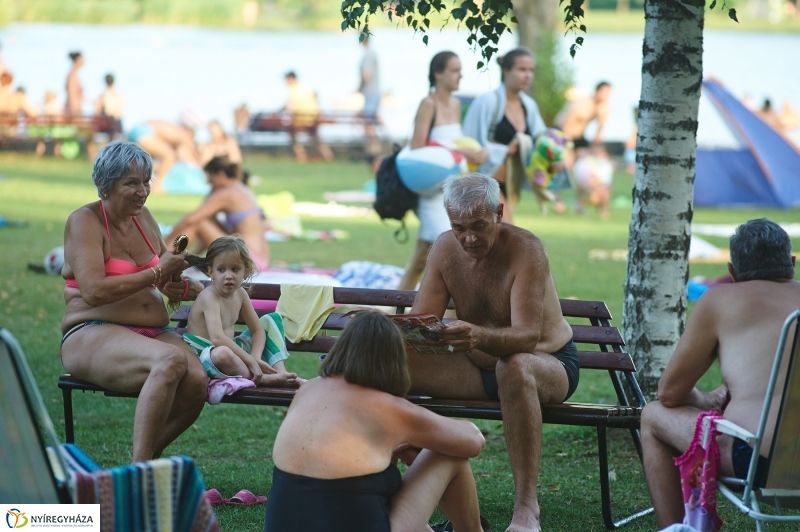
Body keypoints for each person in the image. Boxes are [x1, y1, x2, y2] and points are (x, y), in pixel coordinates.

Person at [409, 173, 579, 532]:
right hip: (475, 364)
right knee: (388, 363)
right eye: (459, 227)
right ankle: (412, 495)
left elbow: (527, 338)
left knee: (514, 366)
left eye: (478, 226)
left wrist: (476, 335)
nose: (468, 237)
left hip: (547, 364)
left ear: (499, 213)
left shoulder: (527, 249)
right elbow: (422, 325)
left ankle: (526, 509)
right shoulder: (443, 248)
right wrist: (381, 332)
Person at [265, 311, 488, 532]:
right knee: (446, 453)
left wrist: (398, 445)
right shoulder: (388, 409)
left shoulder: (308, 389)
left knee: (388, 458)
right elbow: (473, 441)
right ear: (394, 358)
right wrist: (411, 442)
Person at [641, 218, 800, 529]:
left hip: (761, 465)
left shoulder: (719, 300)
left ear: (732, 272)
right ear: (792, 263)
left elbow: (669, 393)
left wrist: (709, 398)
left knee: (653, 414)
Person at [59, 141, 208, 463]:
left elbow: (165, 278)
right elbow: (94, 291)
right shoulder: (85, 221)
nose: (142, 191)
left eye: (146, 181)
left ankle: (143, 464)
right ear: (105, 185)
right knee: (169, 361)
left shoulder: (143, 218)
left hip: (149, 331)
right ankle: (142, 473)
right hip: (92, 330)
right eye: (131, 183)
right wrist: (157, 271)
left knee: (197, 382)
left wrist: (180, 285)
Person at [398, 51, 488, 290]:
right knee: (452, 254)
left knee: (421, 259)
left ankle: (398, 305)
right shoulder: (428, 104)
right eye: (455, 70)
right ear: (438, 74)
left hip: (452, 193)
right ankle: (443, 314)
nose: (461, 75)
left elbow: (455, 143)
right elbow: (417, 144)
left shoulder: (456, 104)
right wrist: (461, 152)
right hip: (430, 193)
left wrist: (474, 153)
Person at [183, 236, 299, 387]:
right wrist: (249, 360)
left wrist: (255, 356)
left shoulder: (240, 294)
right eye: (221, 270)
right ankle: (262, 378)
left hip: (233, 351)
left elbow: (257, 329)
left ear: (246, 271)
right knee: (221, 353)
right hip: (205, 356)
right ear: (211, 272)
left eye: (235, 269)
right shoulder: (209, 297)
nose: (228, 275)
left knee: (271, 320)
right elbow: (217, 339)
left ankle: (280, 373)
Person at [462, 48, 548, 222]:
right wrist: (506, 150)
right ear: (506, 71)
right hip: (485, 181)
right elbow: (469, 142)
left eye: (531, 70)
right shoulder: (488, 101)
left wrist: (554, 159)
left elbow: (543, 140)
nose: (528, 75)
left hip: (510, 184)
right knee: (507, 230)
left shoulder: (529, 106)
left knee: (495, 242)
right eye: (522, 69)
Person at [166, 156, 269, 270]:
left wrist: (166, 239)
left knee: (199, 222)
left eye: (210, 176)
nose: (208, 181)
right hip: (259, 259)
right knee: (207, 220)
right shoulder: (242, 188)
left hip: (248, 258)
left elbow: (191, 219)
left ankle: (165, 257)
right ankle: (178, 258)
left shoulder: (227, 193)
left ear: (220, 174)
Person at [127, 120, 199, 192]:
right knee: (169, 156)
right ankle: (157, 186)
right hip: (144, 132)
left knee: (149, 162)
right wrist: (200, 163)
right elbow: (190, 152)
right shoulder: (182, 136)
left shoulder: (172, 129)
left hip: (137, 131)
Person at [282, 72, 332, 163]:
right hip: (313, 117)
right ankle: (328, 156)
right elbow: (316, 100)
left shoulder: (292, 89)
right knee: (315, 138)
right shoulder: (306, 87)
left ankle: (301, 156)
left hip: (301, 118)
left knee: (292, 133)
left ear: (290, 79)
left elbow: (291, 107)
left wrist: (281, 110)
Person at [555, 81, 612, 149]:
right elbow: (566, 123)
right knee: (567, 157)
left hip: (578, 137)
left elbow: (599, 135)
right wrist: (566, 145)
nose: (607, 96)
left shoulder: (603, 109)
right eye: (605, 93)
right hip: (561, 132)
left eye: (609, 93)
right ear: (597, 91)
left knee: (588, 156)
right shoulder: (583, 104)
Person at [358, 33, 381, 168]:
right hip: (373, 93)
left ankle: (373, 154)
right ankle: (372, 152)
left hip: (370, 93)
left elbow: (366, 75)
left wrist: (359, 88)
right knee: (370, 123)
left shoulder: (368, 54)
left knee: (368, 124)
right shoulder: (372, 53)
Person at [65, 51, 84, 116]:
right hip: (73, 110)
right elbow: (71, 95)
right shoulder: (72, 75)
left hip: (76, 108)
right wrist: (74, 112)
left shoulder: (75, 74)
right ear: (77, 60)